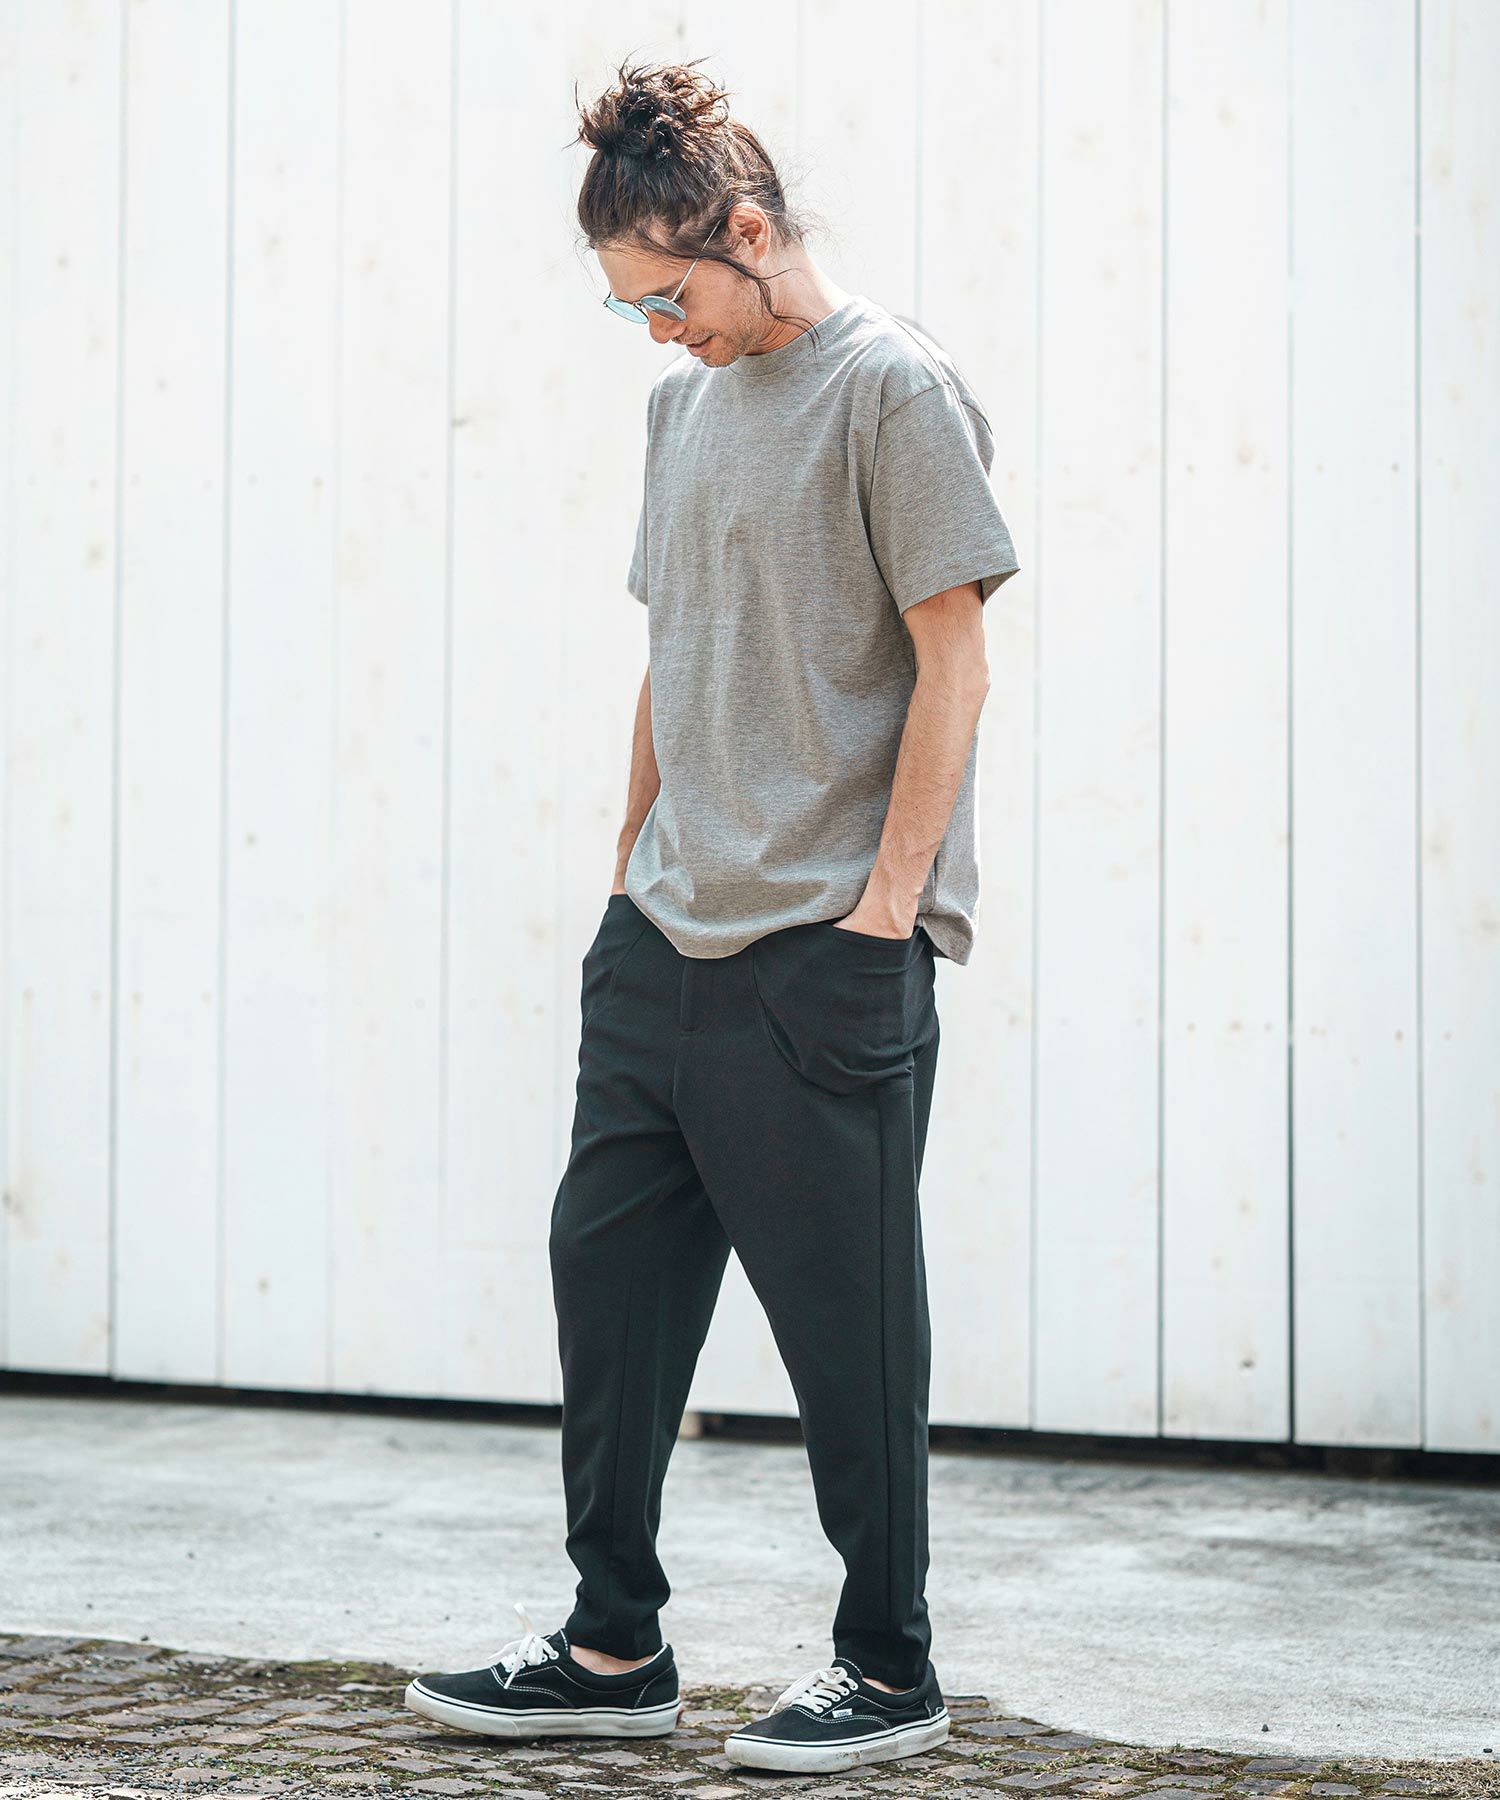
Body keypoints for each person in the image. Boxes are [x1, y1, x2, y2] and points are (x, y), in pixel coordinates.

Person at [405, 54, 1020, 1777]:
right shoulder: (679, 414)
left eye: (666, 298)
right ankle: (613, 1648)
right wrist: (625, 871)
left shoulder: (892, 392)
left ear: (747, 232)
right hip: (661, 943)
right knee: (607, 1296)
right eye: (629, 310)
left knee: (849, 1334)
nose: (656, 333)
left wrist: (886, 913)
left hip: (822, 953)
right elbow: (670, 651)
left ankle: (887, 1668)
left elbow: (957, 666)